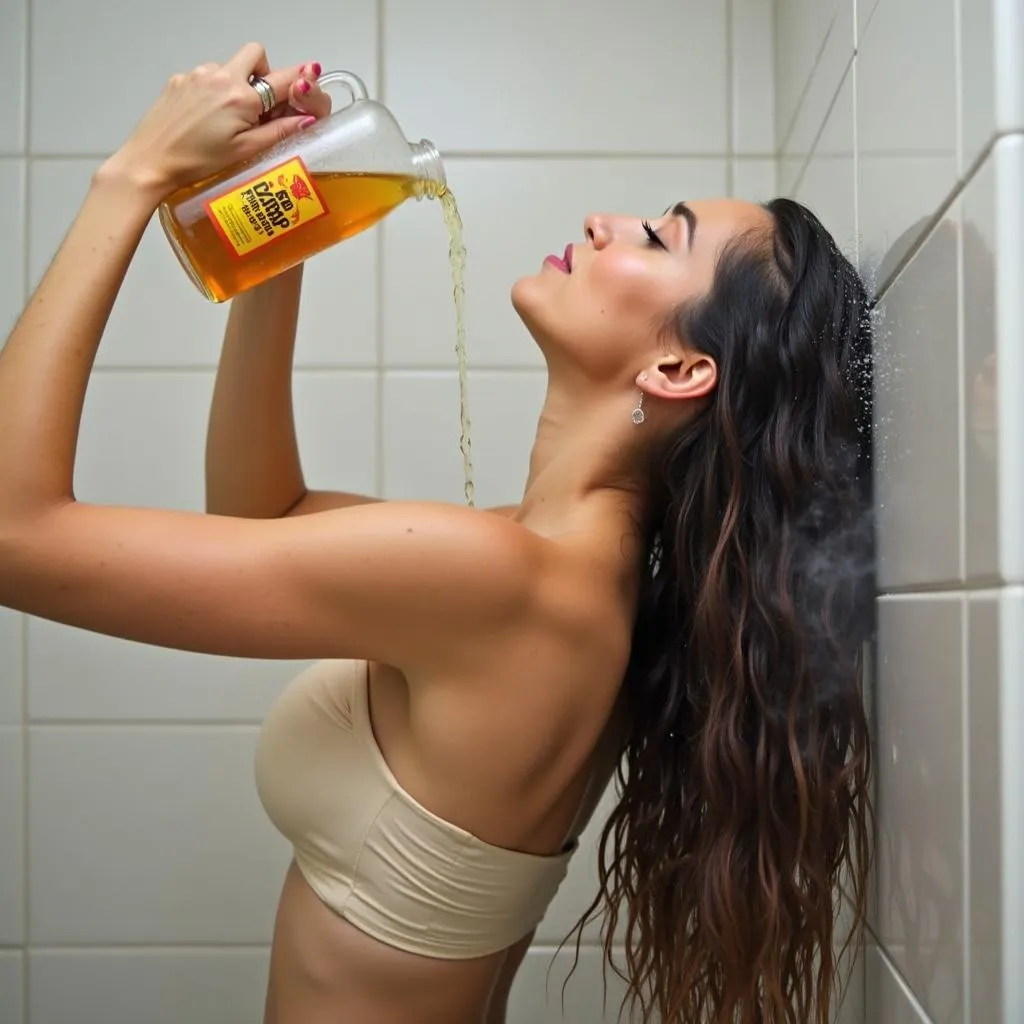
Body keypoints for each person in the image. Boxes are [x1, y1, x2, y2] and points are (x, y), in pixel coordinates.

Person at [0, 43, 875, 1024]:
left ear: (676, 371)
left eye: (655, 236)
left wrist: (133, 177)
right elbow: (262, 517)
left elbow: (13, 535)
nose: (602, 221)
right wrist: (275, 231)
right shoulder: (560, 573)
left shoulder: (501, 578)